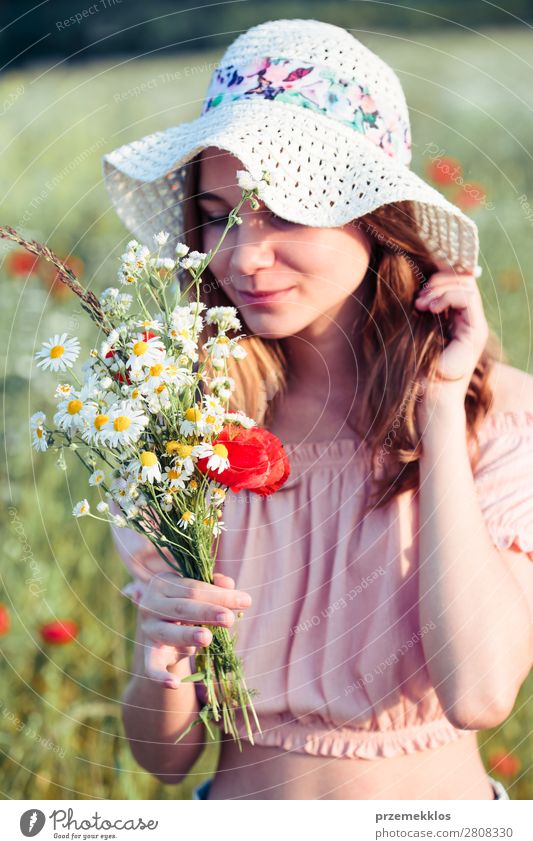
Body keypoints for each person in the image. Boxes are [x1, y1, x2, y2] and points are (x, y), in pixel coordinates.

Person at [102, 19, 533, 800]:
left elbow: (478, 691)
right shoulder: (188, 430)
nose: (241, 255)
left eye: (287, 212)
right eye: (218, 214)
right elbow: (162, 758)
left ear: (375, 216)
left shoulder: (494, 416)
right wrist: (157, 662)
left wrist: (436, 405)